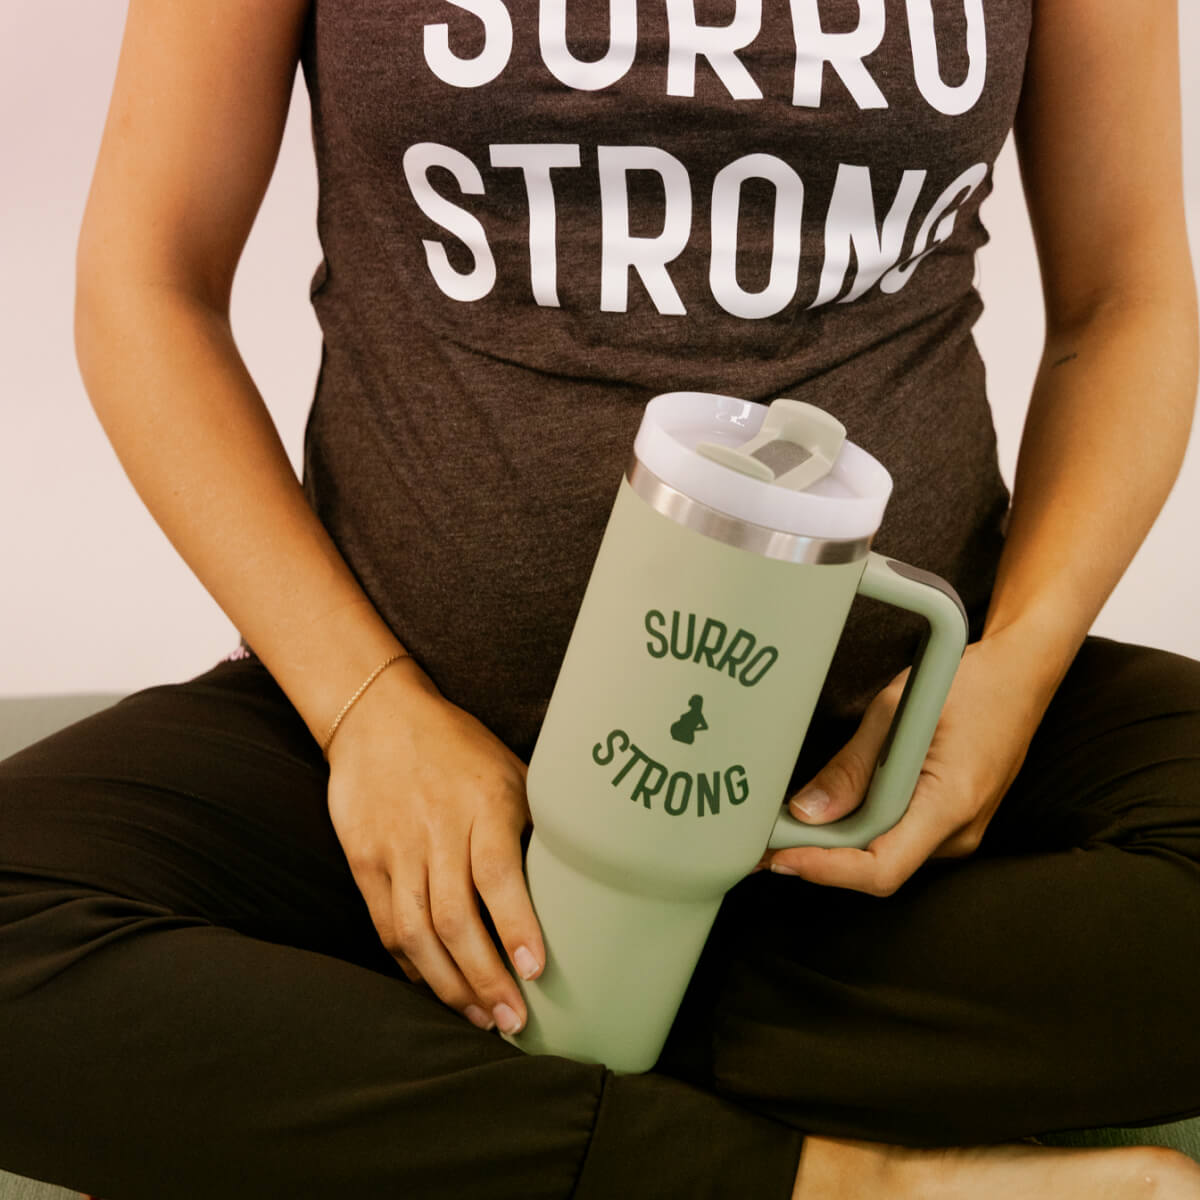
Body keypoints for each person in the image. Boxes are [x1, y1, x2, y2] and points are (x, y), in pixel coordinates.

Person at [2, 1, 1199, 1196]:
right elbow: (149, 276)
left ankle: (465, 1029)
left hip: (881, 786)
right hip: (419, 779)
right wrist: (364, 707)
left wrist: (1022, 660)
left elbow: (1123, 296)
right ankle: (837, 1178)